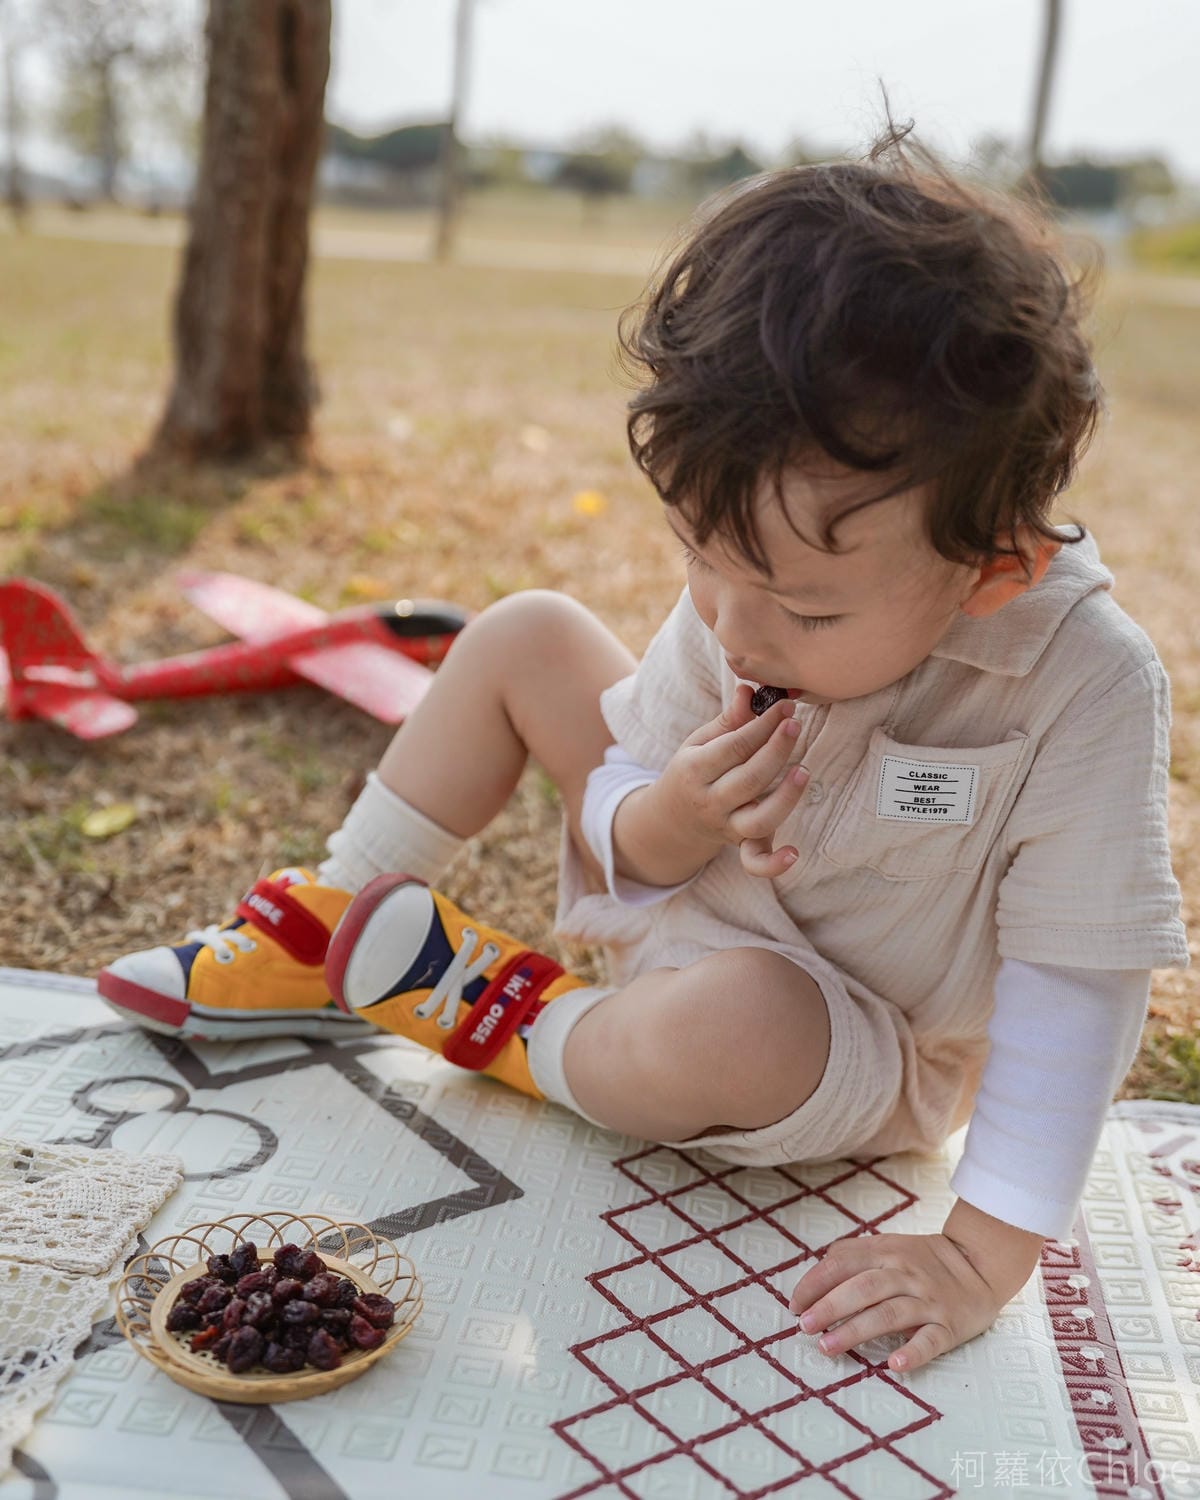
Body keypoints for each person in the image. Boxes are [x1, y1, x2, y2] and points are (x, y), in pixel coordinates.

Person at [98, 126, 1188, 1377]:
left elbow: (1077, 988)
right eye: (697, 562)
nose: (730, 626)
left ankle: (516, 1024)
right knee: (524, 634)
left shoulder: (1087, 685)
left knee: (738, 1014)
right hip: (681, 893)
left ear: (997, 569)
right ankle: (327, 917)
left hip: (845, 1041)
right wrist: (664, 818)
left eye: (806, 610)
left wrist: (979, 1253)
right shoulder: (753, 578)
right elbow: (619, 793)